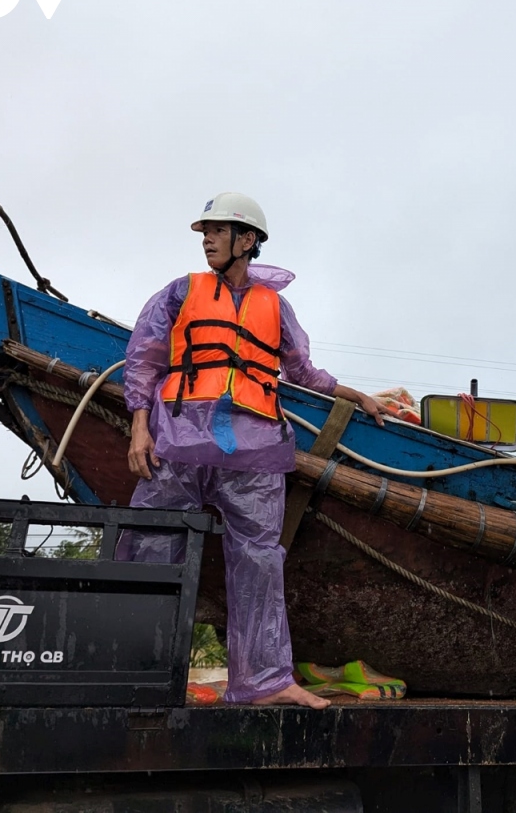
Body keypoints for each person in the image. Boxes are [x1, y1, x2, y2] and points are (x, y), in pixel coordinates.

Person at [116, 192, 386, 708]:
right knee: (152, 548)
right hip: (177, 442)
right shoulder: (179, 293)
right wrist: (139, 428)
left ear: (248, 241)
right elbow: (143, 360)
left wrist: (351, 393)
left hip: (255, 449)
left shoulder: (274, 307)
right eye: (205, 233)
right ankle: (135, 672)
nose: (207, 240)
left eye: (217, 231)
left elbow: (302, 371)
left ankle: (264, 682)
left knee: (260, 561)